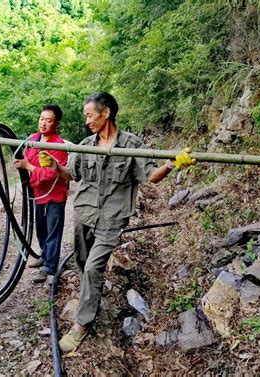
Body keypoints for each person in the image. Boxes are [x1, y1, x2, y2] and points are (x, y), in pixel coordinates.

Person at [52, 92, 195, 353]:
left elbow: (151, 176)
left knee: (94, 268)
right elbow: (70, 175)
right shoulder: (85, 144)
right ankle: (90, 298)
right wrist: (53, 166)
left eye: (89, 115)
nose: (87, 121)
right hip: (84, 213)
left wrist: (172, 164)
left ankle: (82, 324)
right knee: (83, 265)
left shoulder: (132, 145)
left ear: (105, 112)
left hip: (111, 219)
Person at [14, 105, 69, 283]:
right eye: (41, 119)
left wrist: (28, 167)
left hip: (54, 194)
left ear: (57, 123)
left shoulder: (58, 146)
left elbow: (50, 174)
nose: (43, 123)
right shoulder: (33, 139)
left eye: (49, 120)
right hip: (38, 194)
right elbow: (25, 158)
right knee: (41, 229)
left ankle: (50, 266)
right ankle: (45, 256)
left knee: (53, 231)